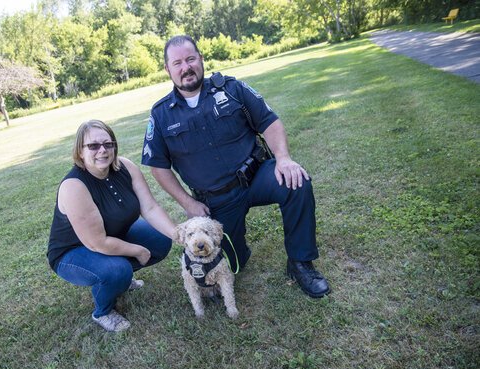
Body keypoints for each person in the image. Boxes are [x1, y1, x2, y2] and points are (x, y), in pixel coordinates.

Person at [141, 35, 330, 298]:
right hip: (216, 200)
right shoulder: (161, 114)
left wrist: (284, 158)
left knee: (296, 182)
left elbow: (269, 121)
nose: (186, 67)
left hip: (257, 177)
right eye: (177, 63)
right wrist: (187, 203)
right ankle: (239, 247)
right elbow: (158, 167)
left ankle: (300, 263)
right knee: (232, 265)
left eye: (190, 59)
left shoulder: (231, 89)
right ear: (168, 70)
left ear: (201, 59)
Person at [48, 119, 176, 332]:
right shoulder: (74, 186)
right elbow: (97, 243)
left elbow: (151, 208)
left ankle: (119, 279)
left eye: (108, 144)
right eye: (93, 146)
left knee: (160, 238)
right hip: (73, 253)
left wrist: (178, 234)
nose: (102, 150)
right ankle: (103, 310)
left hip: (111, 238)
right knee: (117, 270)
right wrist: (138, 250)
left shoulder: (126, 166)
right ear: (80, 151)